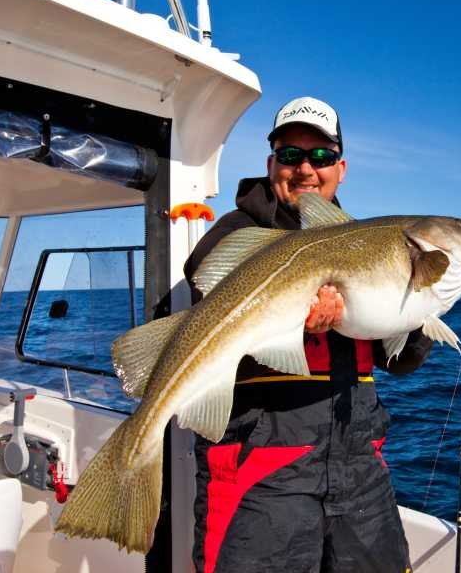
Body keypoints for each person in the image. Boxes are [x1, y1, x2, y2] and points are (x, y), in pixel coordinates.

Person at [184, 97, 432, 573]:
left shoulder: (369, 243)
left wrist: (420, 305)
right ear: (271, 163)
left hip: (359, 471)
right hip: (262, 474)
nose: (305, 169)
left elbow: (401, 361)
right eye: (290, 154)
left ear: (341, 168)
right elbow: (204, 315)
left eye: (319, 157)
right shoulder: (234, 235)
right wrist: (290, 319)